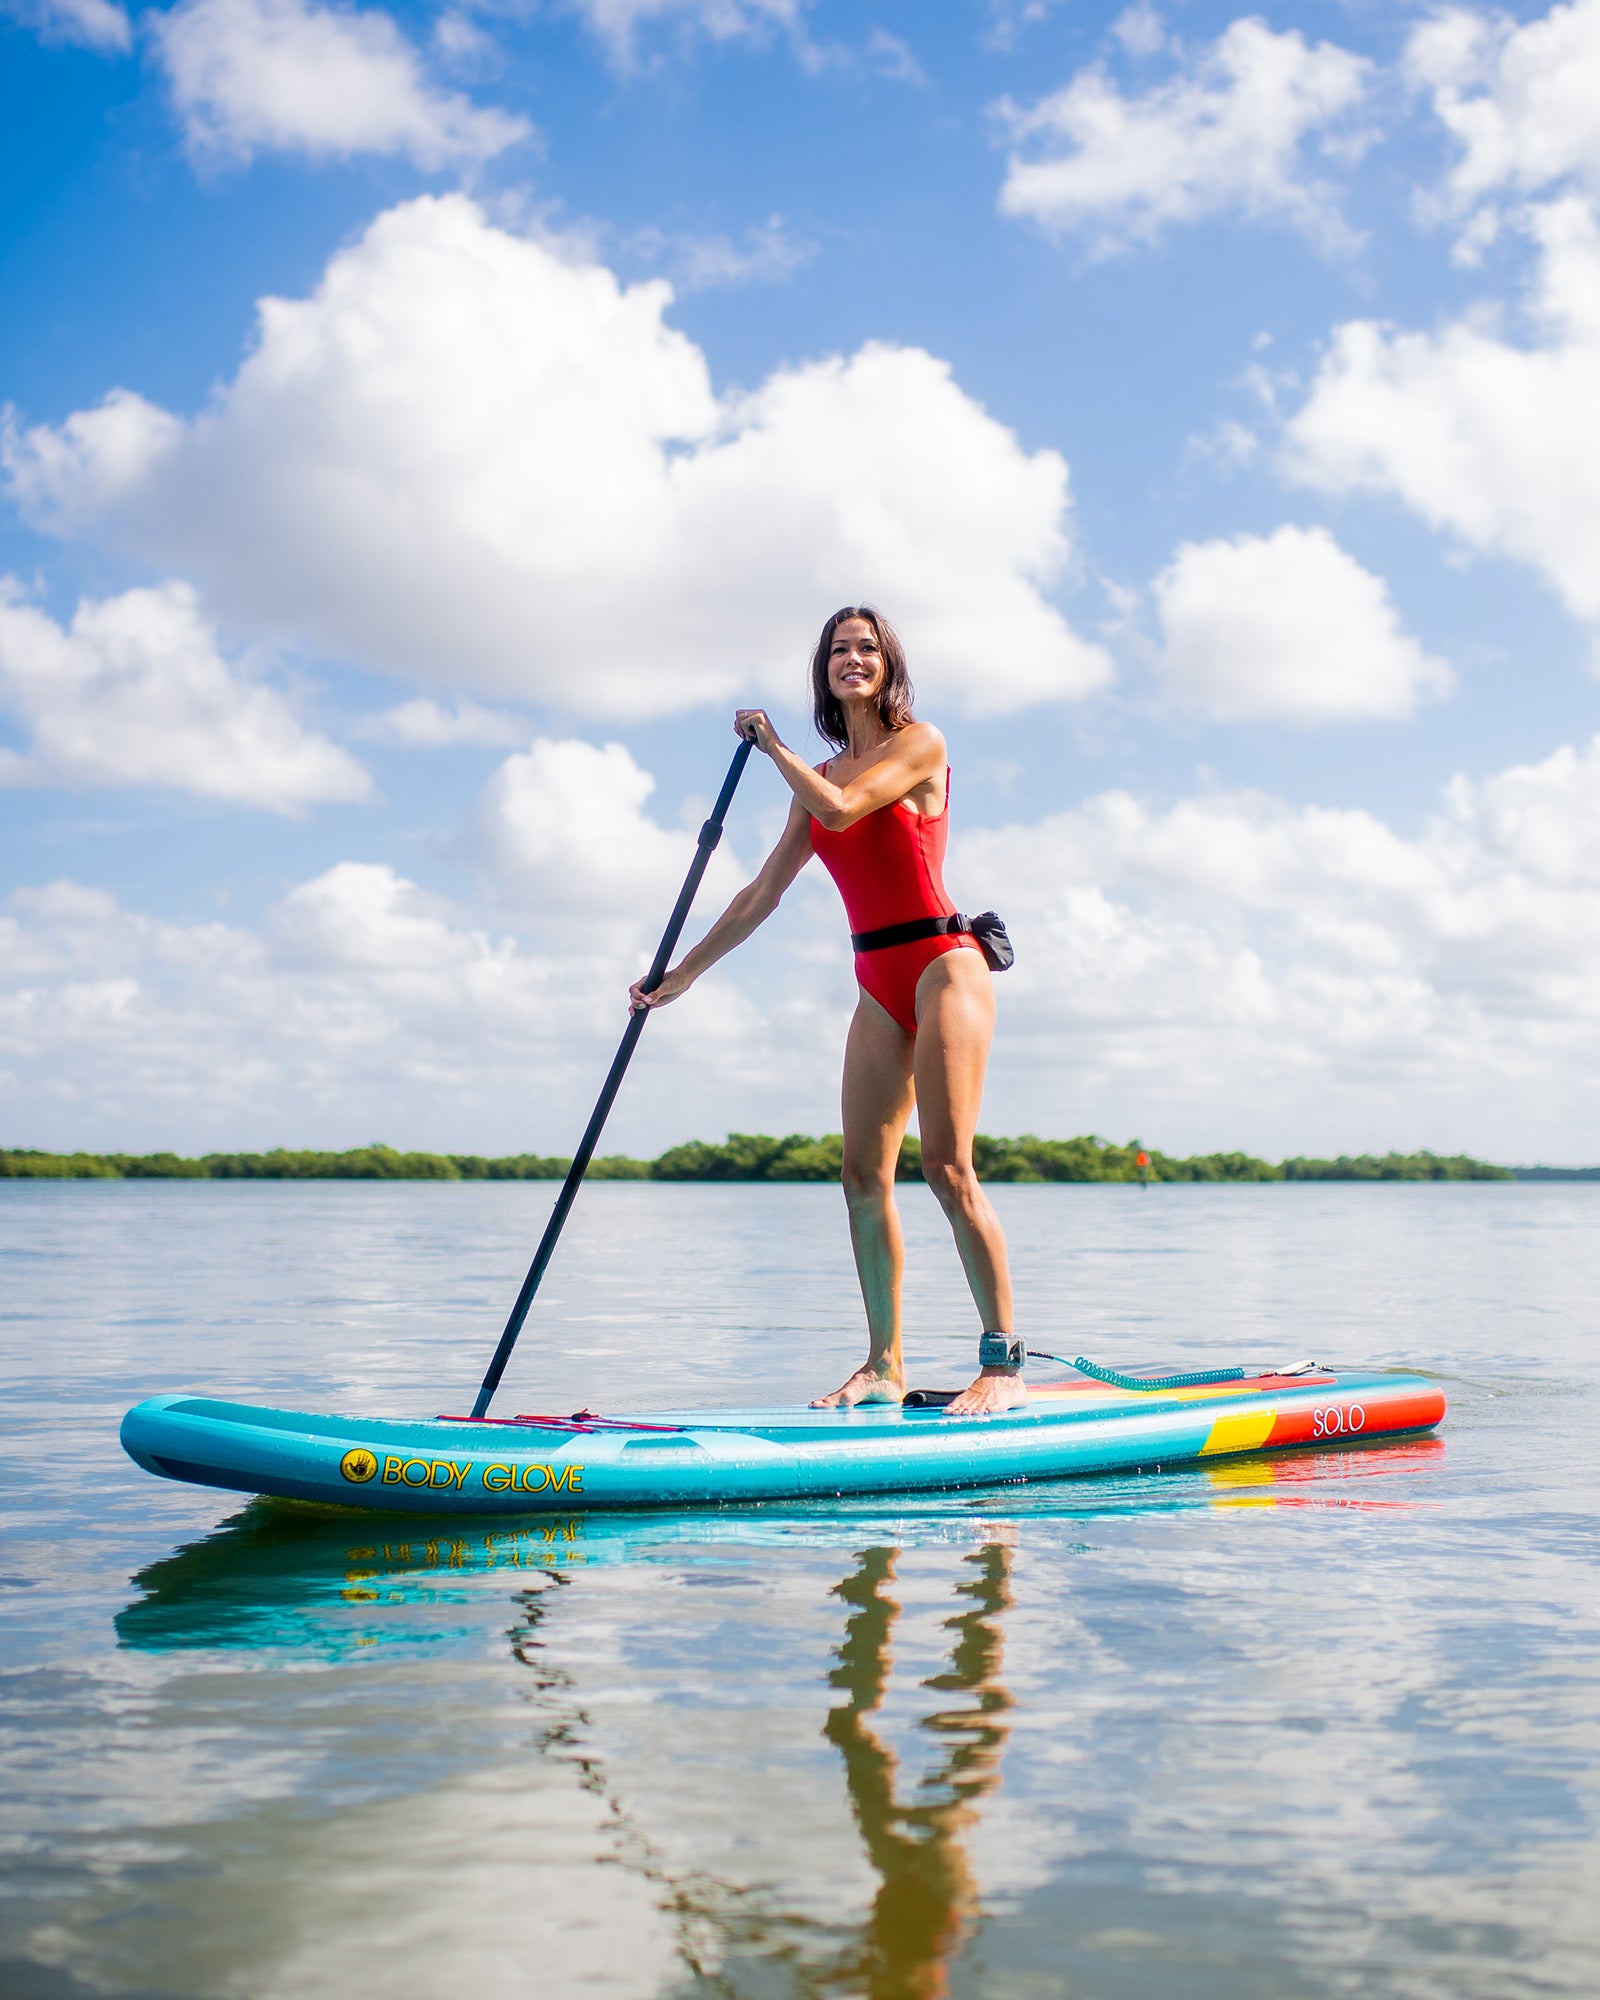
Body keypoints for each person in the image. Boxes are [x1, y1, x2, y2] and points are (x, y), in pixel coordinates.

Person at [628, 605, 1024, 1417]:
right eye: (840, 649)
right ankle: (884, 1365)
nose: (854, 658)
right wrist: (685, 974)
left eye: (867, 648)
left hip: (944, 966)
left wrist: (772, 746)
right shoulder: (819, 777)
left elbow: (848, 812)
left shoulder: (921, 745)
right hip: (876, 979)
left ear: (889, 666)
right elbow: (763, 890)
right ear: (826, 670)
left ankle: (1003, 1365)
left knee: (947, 1171)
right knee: (860, 1177)